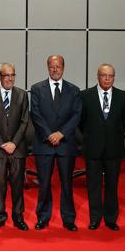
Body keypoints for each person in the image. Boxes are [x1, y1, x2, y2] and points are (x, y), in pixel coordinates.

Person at [30, 55, 81, 231]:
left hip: (65, 144)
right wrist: (49, 134)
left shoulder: (74, 90)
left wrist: (61, 133)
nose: (55, 69)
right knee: (43, 184)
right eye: (52, 66)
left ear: (63, 68)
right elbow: (35, 114)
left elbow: (76, 115)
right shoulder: (36, 89)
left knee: (67, 184)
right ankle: (43, 217)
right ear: (47, 67)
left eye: (58, 66)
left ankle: (68, 219)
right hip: (44, 144)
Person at [80, 64, 125, 231]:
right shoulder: (85, 95)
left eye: (110, 75)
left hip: (113, 148)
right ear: (98, 76)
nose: (107, 79)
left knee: (112, 185)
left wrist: (112, 135)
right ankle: (95, 218)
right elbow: (81, 123)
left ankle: (110, 219)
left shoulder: (122, 96)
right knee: (93, 185)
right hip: (93, 148)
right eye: (104, 75)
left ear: (114, 77)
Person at [0, 63, 29, 231]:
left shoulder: (22, 95)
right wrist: (2, 144)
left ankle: (18, 217)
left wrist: (14, 143)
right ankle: (0, 216)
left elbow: (24, 122)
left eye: (12, 75)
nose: (10, 78)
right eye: (6, 75)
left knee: (17, 185)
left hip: (17, 149)